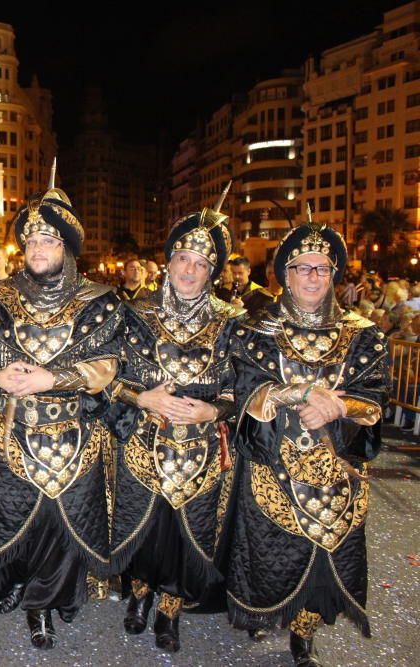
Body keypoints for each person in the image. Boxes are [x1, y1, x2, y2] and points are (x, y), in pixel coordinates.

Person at [226, 211, 388, 667]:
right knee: (268, 549)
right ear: (285, 275)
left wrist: (339, 406)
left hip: (336, 465)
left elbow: (374, 396)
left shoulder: (362, 334)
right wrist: (294, 394)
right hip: (273, 462)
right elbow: (243, 387)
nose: (312, 277)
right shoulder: (256, 329)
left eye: (322, 268)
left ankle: (304, 632)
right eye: (302, 268)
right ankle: (264, 609)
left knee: (321, 554)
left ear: (334, 274)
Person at [0, 180, 122, 649]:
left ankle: (43, 604)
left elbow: (110, 366)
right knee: (15, 516)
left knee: (58, 522)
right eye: (31, 240)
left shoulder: (100, 301)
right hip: (11, 429)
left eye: (48, 240)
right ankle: (18, 581)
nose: (37, 248)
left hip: (73, 432)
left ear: (67, 247)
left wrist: (51, 380)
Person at [106, 195, 242, 654]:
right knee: (145, 528)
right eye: (183, 258)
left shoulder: (231, 322)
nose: (189, 270)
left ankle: (170, 606)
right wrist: (139, 396)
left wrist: (213, 411)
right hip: (144, 442)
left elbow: (241, 388)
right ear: (167, 263)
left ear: (212, 273)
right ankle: (138, 594)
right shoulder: (136, 314)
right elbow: (107, 376)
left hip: (201, 448)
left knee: (186, 533)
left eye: (200, 263)